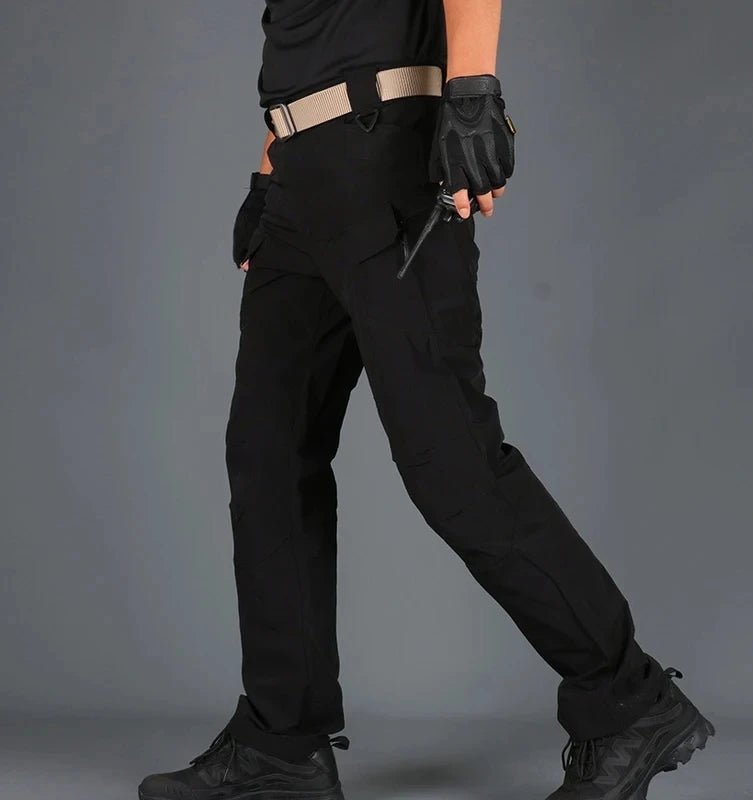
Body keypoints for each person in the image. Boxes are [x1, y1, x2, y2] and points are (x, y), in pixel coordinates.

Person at [138, 2, 714, 799]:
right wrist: (270, 166)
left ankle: (629, 701)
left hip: (389, 156)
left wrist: (473, 91)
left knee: (450, 462)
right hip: (300, 174)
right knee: (268, 456)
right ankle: (282, 742)